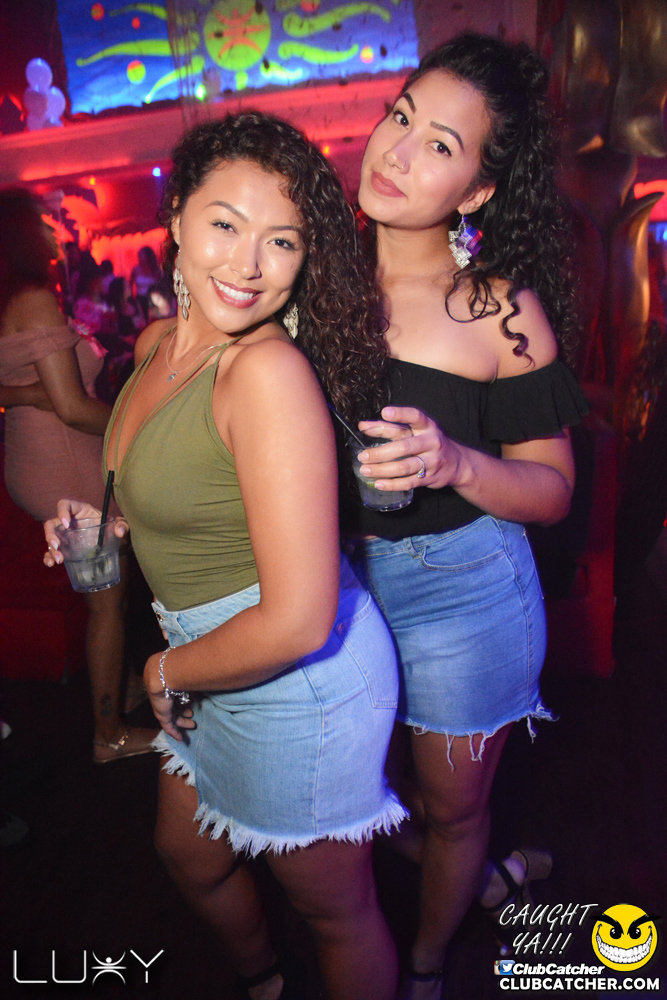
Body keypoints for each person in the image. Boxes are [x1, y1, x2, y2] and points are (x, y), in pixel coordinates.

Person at [44, 112, 405, 1000]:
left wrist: (163, 671)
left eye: (281, 240)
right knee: (189, 855)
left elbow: (299, 620)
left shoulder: (265, 374)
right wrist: (110, 524)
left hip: (291, 683)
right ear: (175, 217)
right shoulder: (157, 347)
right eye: (225, 224)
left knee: (335, 912)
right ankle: (266, 983)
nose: (248, 264)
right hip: (208, 662)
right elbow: (172, 474)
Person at [344, 33, 589, 998]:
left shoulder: (498, 311)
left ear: (478, 190)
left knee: (450, 812)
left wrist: (454, 461)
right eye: (401, 117)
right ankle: (486, 880)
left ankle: (426, 969)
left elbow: (553, 489)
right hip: (333, 586)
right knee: (362, 796)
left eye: (440, 145)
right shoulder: (309, 278)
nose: (397, 152)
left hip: (464, 594)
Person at [0, 187, 154, 764]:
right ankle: (108, 734)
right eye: (43, 222)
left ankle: (120, 685)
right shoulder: (33, 299)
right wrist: (141, 419)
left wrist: (25, 395)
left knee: (114, 583)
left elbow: (40, 393)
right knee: (107, 600)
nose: (53, 230)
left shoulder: (11, 300)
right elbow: (71, 408)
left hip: (41, 456)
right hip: (64, 462)